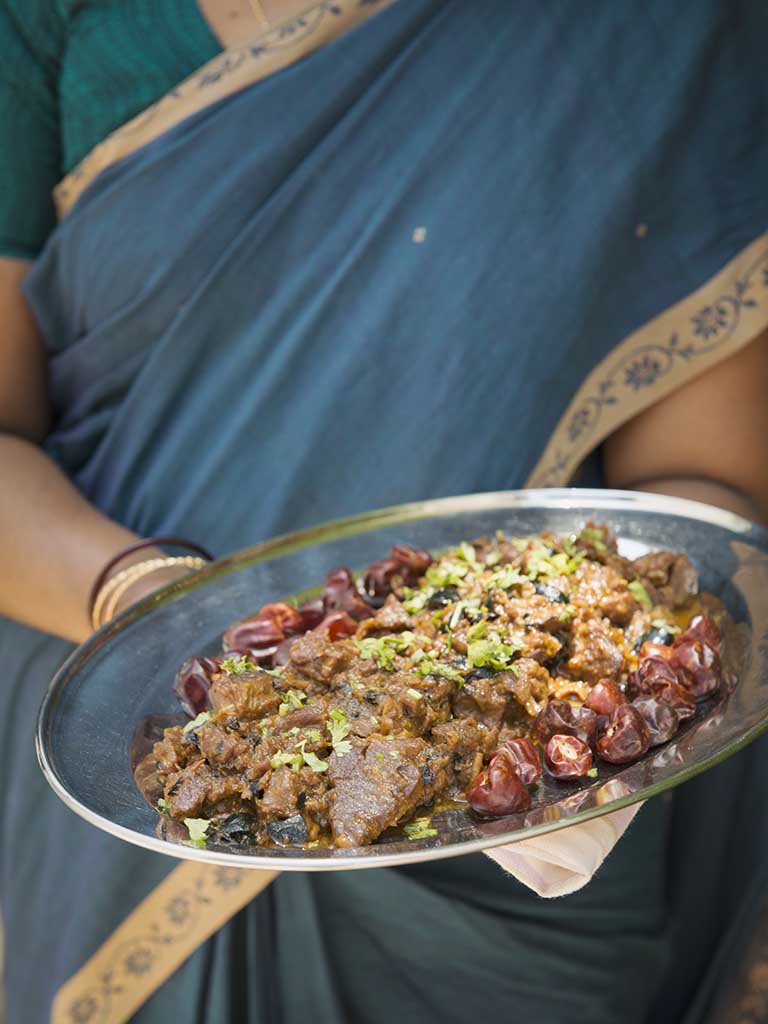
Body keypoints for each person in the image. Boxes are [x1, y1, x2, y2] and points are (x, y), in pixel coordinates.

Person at [1, 1, 767, 1021]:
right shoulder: (55, 21)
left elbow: (702, 479)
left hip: (513, 845)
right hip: (135, 779)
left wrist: (601, 690)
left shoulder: (644, 31)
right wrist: (155, 606)